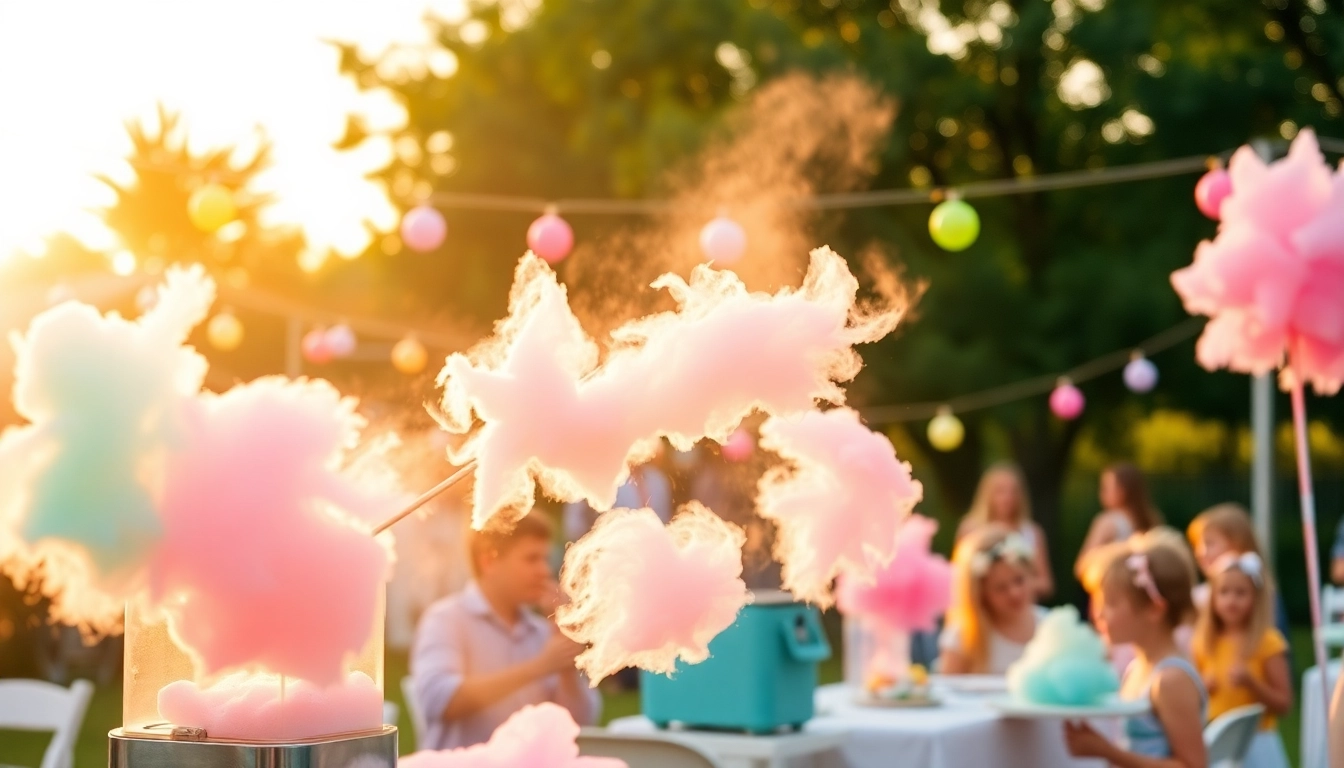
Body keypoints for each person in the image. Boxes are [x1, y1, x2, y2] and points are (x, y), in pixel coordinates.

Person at [410, 512, 599, 749]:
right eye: (531, 559)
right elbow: (439, 700)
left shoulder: (541, 632)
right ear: (489, 561)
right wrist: (539, 667)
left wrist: (566, 667)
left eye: (545, 559)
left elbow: (581, 722)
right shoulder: (446, 619)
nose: (544, 571)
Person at [1064, 538, 1206, 768]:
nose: (1097, 614)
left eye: (1110, 603)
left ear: (1154, 609)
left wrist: (1106, 751)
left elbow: (1192, 765)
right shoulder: (1138, 667)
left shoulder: (1171, 680)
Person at [1191, 551, 1291, 768]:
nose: (1231, 600)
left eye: (1240, 593)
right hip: (1216, 741)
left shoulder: (1268, 642)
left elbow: (1284, 704)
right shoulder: (1204, 642)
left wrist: (1252, 684)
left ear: (1256, 597)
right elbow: (1190, 700)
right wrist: (1201, 688)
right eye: (1224, 592)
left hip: (1257, 741)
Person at [938, 525, 1045, 675]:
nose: (1014, 593)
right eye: (1000, 588)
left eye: (1019, 580)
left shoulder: (1050, 626)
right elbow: (947, 692)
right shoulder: (962, 638)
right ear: (980, 594)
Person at [1187, 503, 1293, 649]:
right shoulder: (1200, 593)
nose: (1200, 552)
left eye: (1209, 543)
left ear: (1238, 544)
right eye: (1196, 545)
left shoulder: (1263, 595)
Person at [956, 462, 1053, 598]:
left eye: (1014, 491)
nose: (1008, 497)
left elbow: (1046, 583)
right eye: (1000, 491)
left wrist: (1015, 586)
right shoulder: (970, 529)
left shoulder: (1032, 532)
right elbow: (957, 577)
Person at [1074, 462, 1162, 582]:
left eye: (1106, 488)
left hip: (1113, 592)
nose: (1101, 493)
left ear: (1121, 491)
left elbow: (1082, 567)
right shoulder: (1154, 520)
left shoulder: (1108, 522)